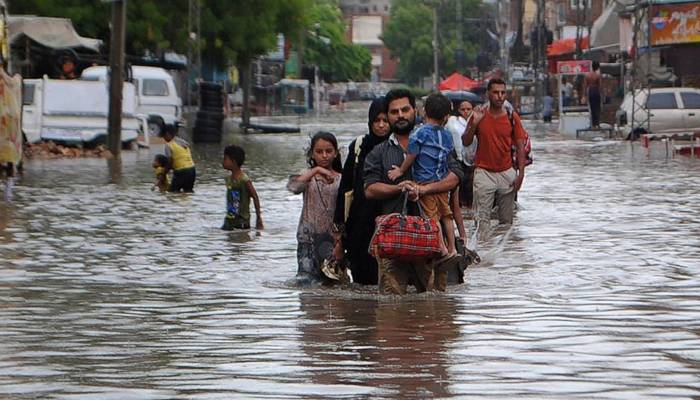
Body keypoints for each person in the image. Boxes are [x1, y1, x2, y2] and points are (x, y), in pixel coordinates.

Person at [364, 88, 462, 295]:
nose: (400, 115)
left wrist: (424, 189)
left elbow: (455, 176)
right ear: (388, 116)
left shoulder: (438, 140)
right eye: (394, 112)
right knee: (392, 307)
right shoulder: (379, 152)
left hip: (432, 246)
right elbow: (370, 189)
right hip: (395, 242)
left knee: (437, 309)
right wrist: (400, 188)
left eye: (405, 110)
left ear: (416, 111)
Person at [388, 93, 457, 259]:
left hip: (424, 182)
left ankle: (442, 247)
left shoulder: (420, 133)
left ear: (424, 111)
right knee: (447, 216)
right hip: (441, 181)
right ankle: (453, 248)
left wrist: (400, 170)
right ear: (446, 116)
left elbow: (412, 154)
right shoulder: (447, 135)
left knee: (431, 218)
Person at [333, 97, 390, 285]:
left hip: (390, 225)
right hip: (359, 227)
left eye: (385, 120)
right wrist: (339, 234)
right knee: (362, 285)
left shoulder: (400, 148)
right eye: (376, 121)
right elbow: (345, 188)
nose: (381, 126)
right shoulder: (359, 147)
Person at [463, 78, 528, 236]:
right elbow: (466, 141)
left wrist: (521, 174)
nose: (499, 96)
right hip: (483, 172)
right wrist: (475, 123)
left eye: (502, 93)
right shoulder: (478, 114)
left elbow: (521, 148)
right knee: (481, 222)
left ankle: (505, 257)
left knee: (506, 223)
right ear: (488, 94)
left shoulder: (512, 117)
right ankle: (484, 255)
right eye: (496, 93)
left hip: (507, 173)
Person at [288, 131, 343, 285]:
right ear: (312, 154)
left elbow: (345, 210)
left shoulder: (341, 179)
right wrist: (316, 171)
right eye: (319, 152)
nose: (324, 155)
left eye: (328, 151)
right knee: (306, 282)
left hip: (332, 240)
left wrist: (340, 241)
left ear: (336, 154)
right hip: (308, 239)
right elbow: (293, 187)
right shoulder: (306, 177)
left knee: (332, 282)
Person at [445, 99, 477, 212]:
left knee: (472, 189)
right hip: (458, 160)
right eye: (463, 109)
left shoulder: (476, 122)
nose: (466, 112)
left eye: (468, 109)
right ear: (459, 110)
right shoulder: (453, 122)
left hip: (474, 161)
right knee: (459, 189)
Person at [221, 145, 263, 230]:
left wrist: (259, 218)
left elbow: (255, 196)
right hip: (230, 220)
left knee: (240, 240)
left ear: (234, 162)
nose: (223, 162)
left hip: (242, 222)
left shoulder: (244, 180)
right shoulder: (228, 179)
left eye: (225, 159)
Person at [161, 125, 196, 193]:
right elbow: (180, 157)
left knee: (172, 193)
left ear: (167, 134)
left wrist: (164, 173)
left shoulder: (168, 145)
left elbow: (170, 161)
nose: (164, 139)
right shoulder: (183, 142)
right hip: (192, 169)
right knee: (188, 192)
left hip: (181, 171)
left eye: (164, 136)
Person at [585, 61, 602, 128]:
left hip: (590, 91)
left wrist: (585, 95)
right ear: (597, 67)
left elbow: (585, 85)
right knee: (597, 108)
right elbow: (600, 86)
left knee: (591, 108)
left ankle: (592, 124)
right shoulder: (598, 75)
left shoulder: (587, 75)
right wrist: (602, 95)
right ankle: (597, 123)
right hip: (596, 90)